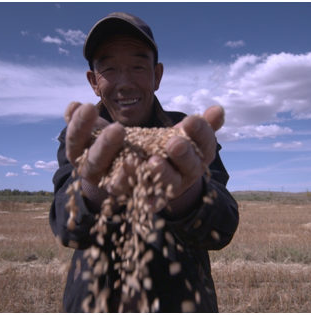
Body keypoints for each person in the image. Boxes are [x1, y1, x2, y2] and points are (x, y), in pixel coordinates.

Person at [49, 12, 239, 312]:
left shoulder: (187, 136)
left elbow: (223, 229)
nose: (125, 82)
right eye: (109, 68)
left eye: (138, 66)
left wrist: (185, 193)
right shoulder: (81, 137)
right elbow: (66, 228)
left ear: (157, 75)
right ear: (93, 82)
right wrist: (94, 188)